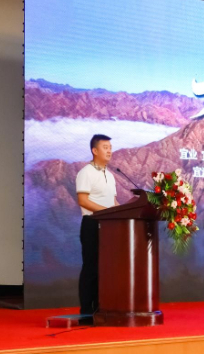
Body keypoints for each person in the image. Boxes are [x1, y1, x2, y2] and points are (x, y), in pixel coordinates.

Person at [75, 134, 119, 315]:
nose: (109, 151)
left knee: (106, 268)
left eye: (110, 147)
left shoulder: (110, 175)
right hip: (92, 225)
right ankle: (87, 309)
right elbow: (83, 200)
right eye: (105, 147)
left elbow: (113, 202)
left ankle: (102, 307)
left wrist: (123, 212)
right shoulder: (86, 172)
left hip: (108, 227)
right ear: (94, 150)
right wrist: (106, 212)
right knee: (91, 267)